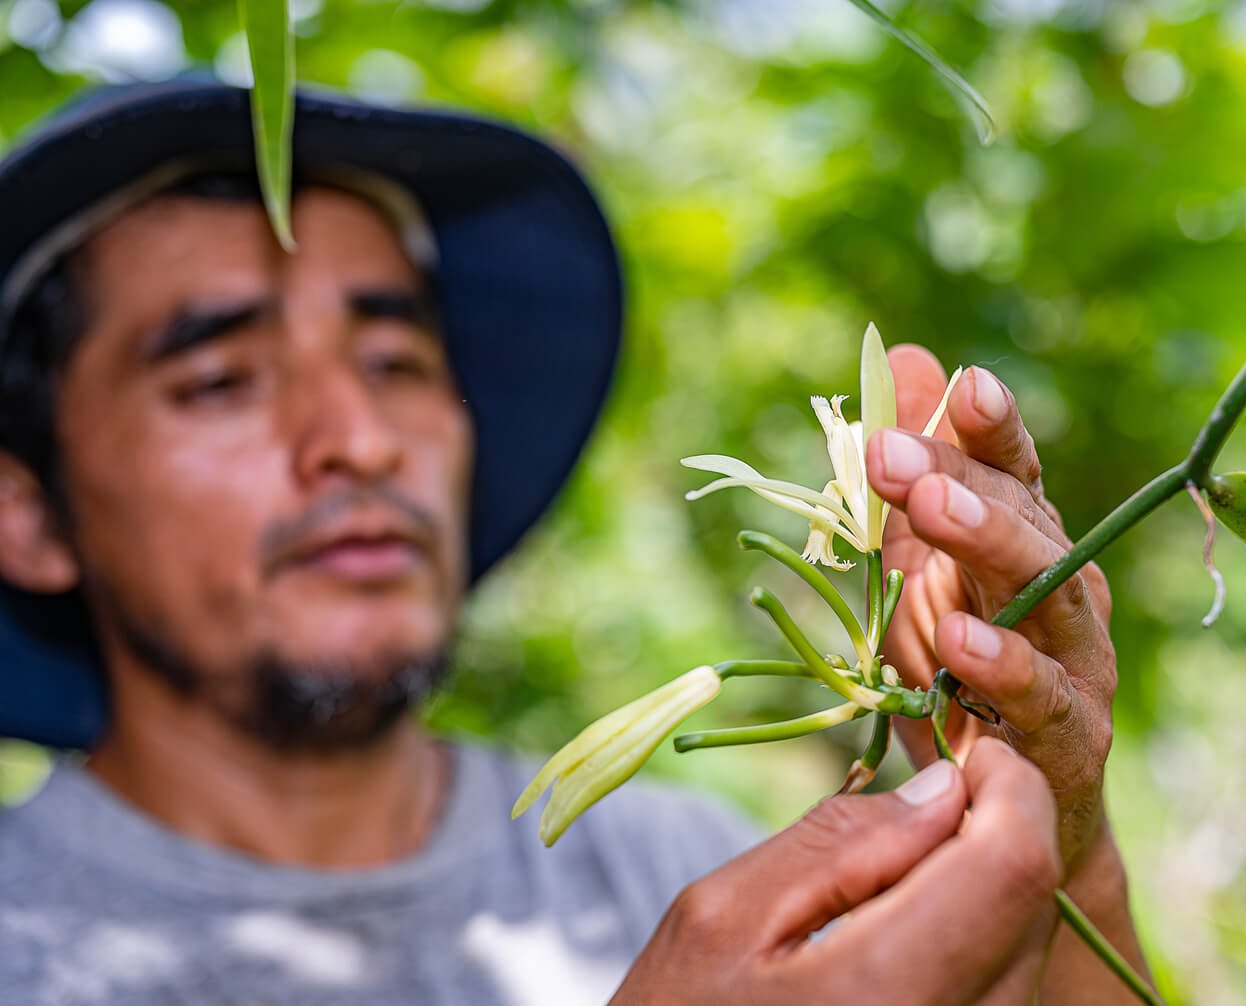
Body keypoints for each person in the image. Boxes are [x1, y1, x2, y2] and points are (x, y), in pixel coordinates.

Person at [0, 79, 1147, 1004]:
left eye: (397, 361)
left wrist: (1063, 839)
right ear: (29, 514)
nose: (360, 438)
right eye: (220, 380)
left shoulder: (684, 870)